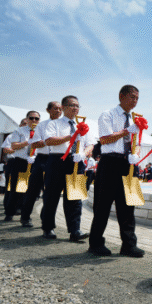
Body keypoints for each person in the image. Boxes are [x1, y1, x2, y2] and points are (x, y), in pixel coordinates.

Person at [88, 85, 145, 258]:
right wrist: (127, 130)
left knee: (128, 205)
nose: (134, 101)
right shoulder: (108, 114)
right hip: (110, 162)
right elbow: (105, 139)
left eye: (137, 98)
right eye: (132, 97)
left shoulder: (136, 118)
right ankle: (96, 243)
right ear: (121, 96)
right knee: (102, 204)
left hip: (129, 163)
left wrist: (136, 154)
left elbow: (138, 141)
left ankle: (128, 245)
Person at [42, 96, 93, 242]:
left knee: (75, 197)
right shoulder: (55, 124)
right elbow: (49, 140)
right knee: (51, 195)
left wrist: (83, 153)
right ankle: (48, 227)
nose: (75, 108)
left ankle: (75, 230)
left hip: (76, 162)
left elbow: (90, 144)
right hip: (58, 160)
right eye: (72, 105)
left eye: (77, 106)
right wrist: (70, 137)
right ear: (63, 107)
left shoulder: (83, 125)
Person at [20, 102, 62, 228]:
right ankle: (25, 217)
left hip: (58, 160)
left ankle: (46, 218)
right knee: (33, 189)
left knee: (51, 192)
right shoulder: (42, 126)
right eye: (55, 108)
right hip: (43, 159)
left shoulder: (65, 125)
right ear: (48, 110)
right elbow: (34, 144)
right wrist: (49, 141)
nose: (58, 111)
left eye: (60, 109)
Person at [4, 111, 40, 221]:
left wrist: (35, 155)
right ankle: (10, 212)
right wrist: (27, 142)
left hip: (34, 162)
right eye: (31, 118)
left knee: (31, 191)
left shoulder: (41, 131)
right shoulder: (19, 131)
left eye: (36, 119)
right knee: (15, 189)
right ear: (27, 118)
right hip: (21, 161)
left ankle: (25, 215)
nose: (34, 120)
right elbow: (13, 146)